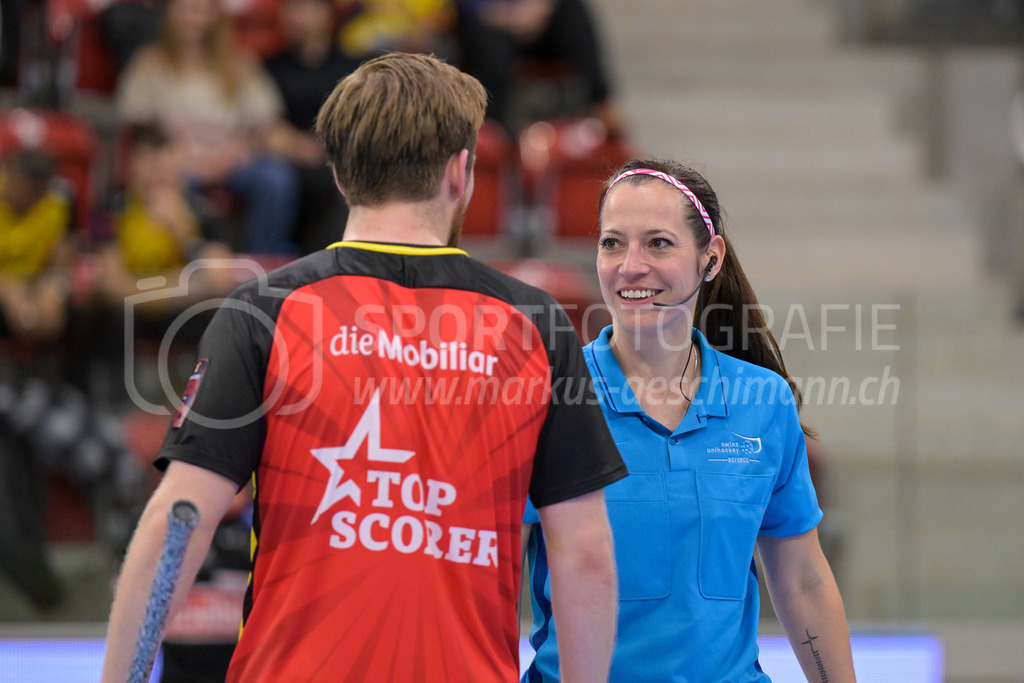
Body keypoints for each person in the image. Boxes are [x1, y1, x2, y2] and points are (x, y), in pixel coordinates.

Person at [101, 52, 626, 682]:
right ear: (460, 172)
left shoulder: (265, 311)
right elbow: (585, 552)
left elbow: (180, 520)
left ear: (339, 175)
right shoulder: (536, 324)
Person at [522, 159, 857, 682]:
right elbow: (488, 578)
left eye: (658, 243)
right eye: (612, 243)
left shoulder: (763, 401)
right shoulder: (546, 398)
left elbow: (802, 581)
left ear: (711, 258)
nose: (630, 266)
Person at [115, 0, 299, 255]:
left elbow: (266, 124)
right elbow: (138, 128)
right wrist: (178, 155)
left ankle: (260, 262)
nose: (194, 19)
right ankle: (191, 255)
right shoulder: (148, 64)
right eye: (186, 10)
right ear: (169, 15)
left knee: (275, 178)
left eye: (201, 11)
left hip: (232, 160)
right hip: (174, 163)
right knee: (165, 184)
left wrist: (237, 151)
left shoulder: (240, 64)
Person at [263, 0, 359, 253]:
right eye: (293, 8)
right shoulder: (271, 68)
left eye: (307, 7)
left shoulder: (353, 68)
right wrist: (297, 145)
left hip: (340, 156)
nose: (299, 17)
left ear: (328, 15)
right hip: (291, 158)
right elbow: (266, 123)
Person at [454, 0, 625, 135]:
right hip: (490, 24)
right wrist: (510, 17)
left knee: (572, 10)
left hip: (536, 20)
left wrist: (536, 8)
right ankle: (492, 129)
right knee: (491, 46)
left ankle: (601, 102)